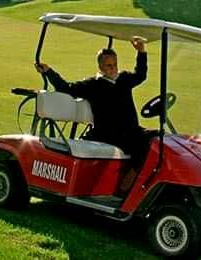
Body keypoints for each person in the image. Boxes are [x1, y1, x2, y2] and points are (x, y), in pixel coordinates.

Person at [35, 36, 155, 187]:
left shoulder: (124, 79)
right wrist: (48, 72)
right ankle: (127, 184)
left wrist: (141, 51)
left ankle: (134, 180)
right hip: (107, 133)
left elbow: (141, 75)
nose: (113, 69)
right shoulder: (93, 85)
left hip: (130, 130)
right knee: (140, 145)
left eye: (114, 64)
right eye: (108, 65)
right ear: (100, 67)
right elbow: (68, 88)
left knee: (157, 138)